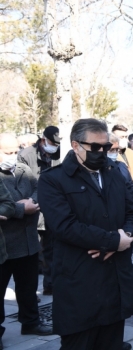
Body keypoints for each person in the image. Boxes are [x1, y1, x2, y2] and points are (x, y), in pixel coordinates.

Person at [38, 118, 133, 349]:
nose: (102, 152)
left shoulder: (114, 174)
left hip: (115, 280)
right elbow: (64, 225)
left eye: (105, 147)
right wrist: (114, 241)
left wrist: (126, 237)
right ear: (76, 146)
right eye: (95, 147)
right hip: (80, 279)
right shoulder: (53, 180)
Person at [0, 133, 53, 341]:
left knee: (28, 287)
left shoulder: (24, 169)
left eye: (15, 152)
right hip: (4, 243)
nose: (12, 156)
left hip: (28, 241)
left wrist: (32, 201)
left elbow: (39, 189)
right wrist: (21, 208)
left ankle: (30, 322)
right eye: (7, 152)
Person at [18, 126, 61, 296]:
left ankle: (49, 285)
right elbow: (24, 182)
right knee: (34, 254)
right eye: (52, 143)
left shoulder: (58, 154)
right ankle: (30, 293)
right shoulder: (26, 155)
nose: (55, 146)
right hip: (31, 207)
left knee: (50, 249)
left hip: (50, 208)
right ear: (43, 140)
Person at [112, 125, 133, 254]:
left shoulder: (130, 152)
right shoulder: (111, 155)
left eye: (125, 137)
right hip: (120, 195)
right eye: (121, 137)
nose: (124, 139)